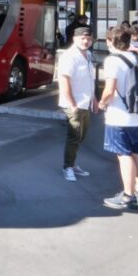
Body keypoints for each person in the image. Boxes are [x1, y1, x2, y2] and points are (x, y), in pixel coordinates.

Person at [97, 25, 138, 209]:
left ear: (110, 41)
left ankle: (128, 196)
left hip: (119, 115)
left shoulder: (112, 61)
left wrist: (101, 104)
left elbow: (109, 90)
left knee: (124, 155)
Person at [57, 26, 97, 182]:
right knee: (74, 136)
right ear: (75, 39)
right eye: (83, 38)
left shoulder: (87, 55)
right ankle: (67, 167)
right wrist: (72, 103)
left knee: (81, 135)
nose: (86, 41)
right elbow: (64, 80)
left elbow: (89, 79)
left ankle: (72, 164)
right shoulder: (69, 56)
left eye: (89, 39)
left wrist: (94, 98)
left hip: (85, 101)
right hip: (73, 103)